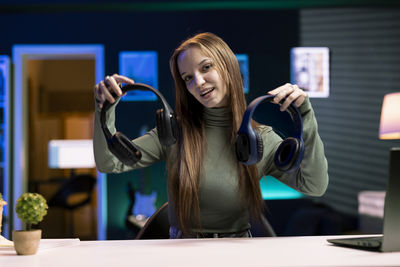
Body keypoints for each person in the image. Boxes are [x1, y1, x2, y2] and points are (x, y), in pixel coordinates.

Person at [93, 32, 329, 238]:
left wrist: (305, 114)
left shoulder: (260, 138)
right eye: (187, 78)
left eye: (206, 67)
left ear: (228, 67)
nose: (198, 81)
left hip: (238, 252)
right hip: (182, 252)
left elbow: (314, 185)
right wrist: (104, 108)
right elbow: (108, 163)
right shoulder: (175, 133)